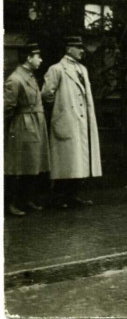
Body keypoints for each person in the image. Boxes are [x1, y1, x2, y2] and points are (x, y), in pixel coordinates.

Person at [42, 36, 101, 207]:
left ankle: (72, 196)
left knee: (78, 161)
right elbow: (46, 93)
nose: (82, 51)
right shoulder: (57, 69)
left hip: (82, 120)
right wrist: (62, 107)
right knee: (66, 161)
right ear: (69, 49)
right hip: (67, 120)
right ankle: (59, 198)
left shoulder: (82, 69)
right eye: (78, 47)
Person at [4, 43, 50, 216]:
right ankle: (10, 203)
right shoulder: (16, 79)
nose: (40, 60)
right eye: (37, 56)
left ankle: (26, 200)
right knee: (16, 166)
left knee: (32, 164)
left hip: (34, 124)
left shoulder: (29, 76)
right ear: (28, 58)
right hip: (22, 125)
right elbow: (7, 107)